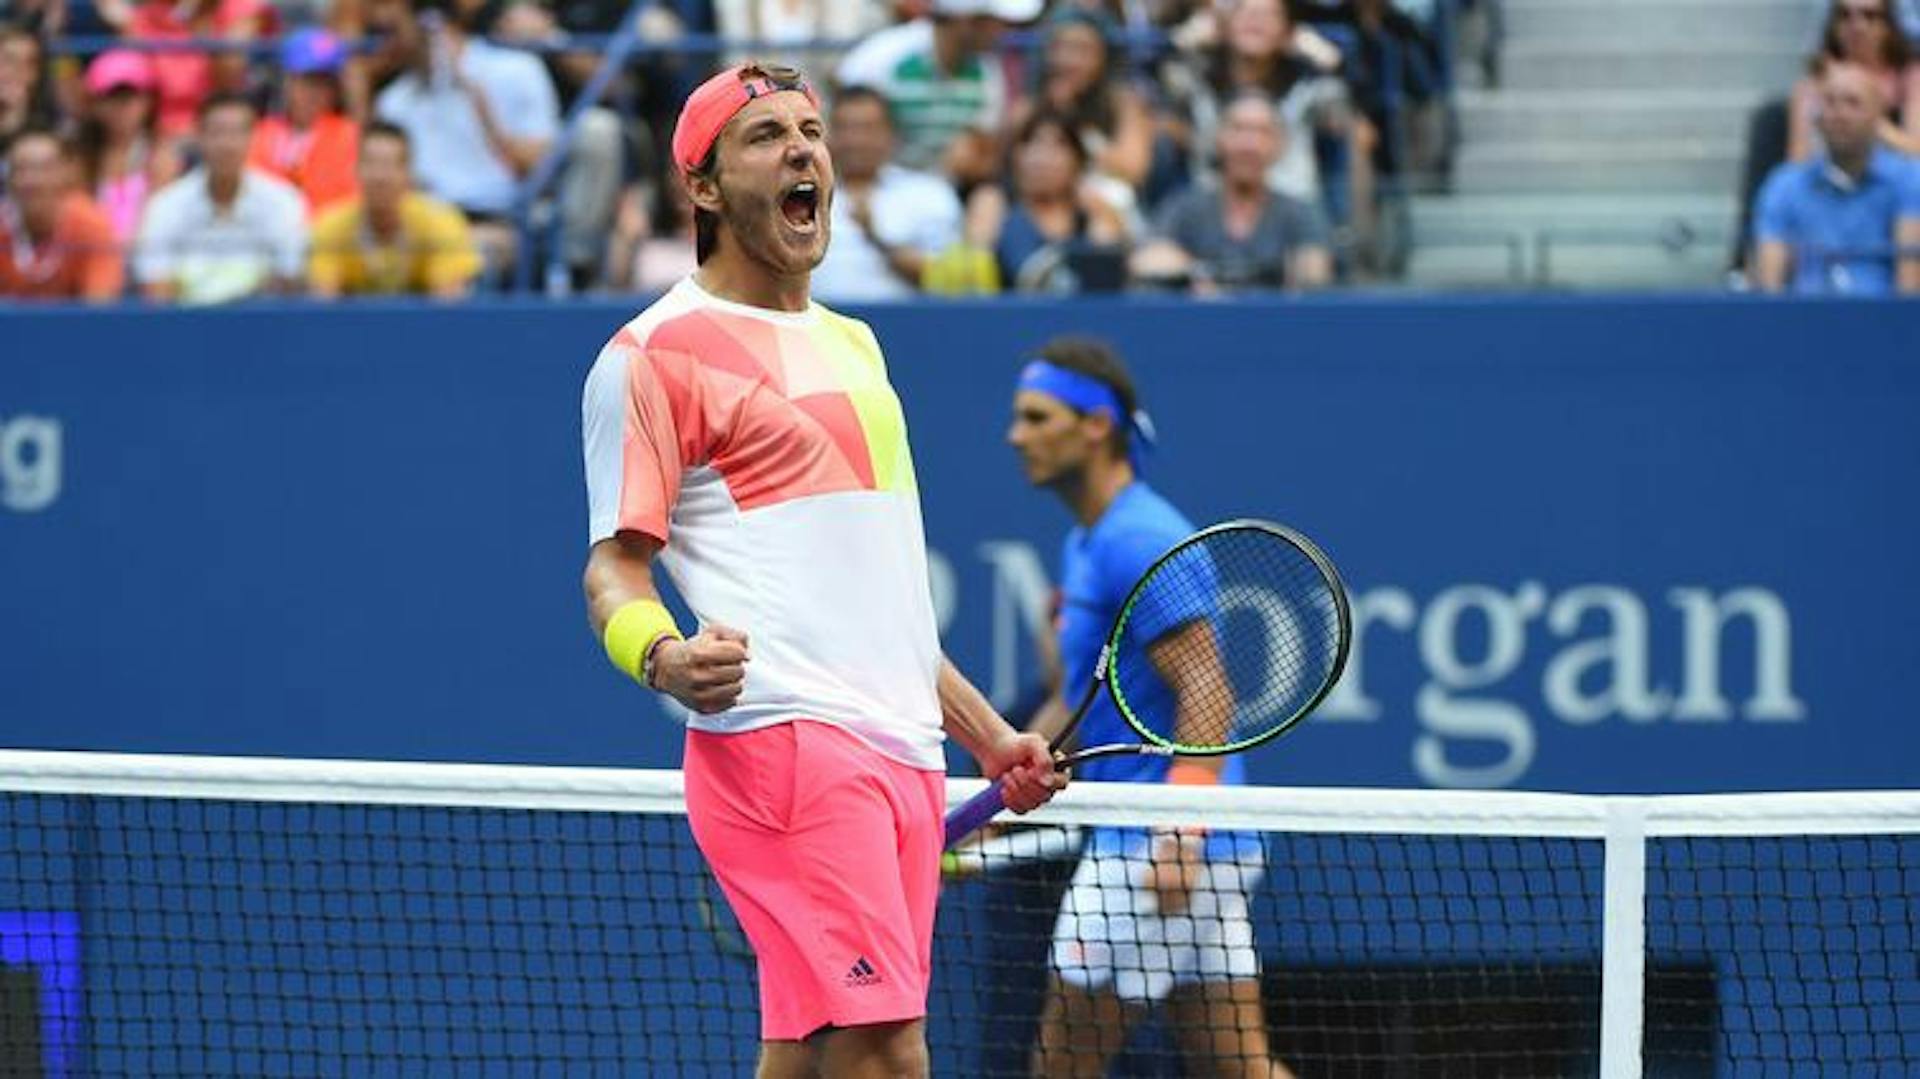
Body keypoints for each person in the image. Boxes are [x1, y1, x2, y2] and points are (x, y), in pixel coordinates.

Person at [578, 62, 1063, 1078]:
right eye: (764, 136)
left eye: (811, 129)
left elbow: (879, 603)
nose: (802, 148)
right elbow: (614, 573)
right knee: (888, 1050)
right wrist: (661, 654)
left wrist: (987, 736)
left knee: (807, 1050)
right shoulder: (653, 353)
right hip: (791, 745)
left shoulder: (857, 345)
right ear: (703, 188)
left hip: (902, 750)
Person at [1006, 337, 1296, 1079]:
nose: (1017, 435)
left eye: (1037, 417)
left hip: (1154, 847)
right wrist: (985, 815)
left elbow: (1209, 686)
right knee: (1240, 1068)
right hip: (1196, 844)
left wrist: (1180, 832)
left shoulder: (1138, 535)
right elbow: (1077, 707)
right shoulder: (1090, 539)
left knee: (1059, 1070)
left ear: (1097, 424)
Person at [1132, 92, 1334, 293]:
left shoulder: (1299, 212)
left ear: (1279, 145)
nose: (1249, 145)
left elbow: (1315, 272)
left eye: (1262, 132)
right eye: (1238, 129)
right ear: (1219, 138)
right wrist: (1196, 275)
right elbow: (1145, 261)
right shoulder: (1185, 208)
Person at [1751, 60, 1920, 295]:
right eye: (1829, 102)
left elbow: (1910, 288)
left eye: (1853, 103)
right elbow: (1769, 288)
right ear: (1817, 116)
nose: (1840, 114)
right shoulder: (1784, 186)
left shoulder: (1910, 180)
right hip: (1803, 322)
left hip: (1884, 322)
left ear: (1878, 115)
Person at [836, 0, 1043, 187]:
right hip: (877, 190)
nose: (1001, 31)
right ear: (963, 21)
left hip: (947, 194)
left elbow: (982, 152)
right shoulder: (880, 59)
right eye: (991, 21)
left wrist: (973, 155)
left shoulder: (988, 70)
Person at [134, 93, 308, 304]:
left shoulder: (283, 201)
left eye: (237, 132)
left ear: (253, 137)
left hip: (261, 326)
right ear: (198, 136)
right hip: (186, 326)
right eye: (217, 132)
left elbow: (289, 277)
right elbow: (156, 285)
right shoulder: (165, 205)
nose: (227, 144)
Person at [810, 84, 964, 302]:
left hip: (911, 328)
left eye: (867, 128)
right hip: (817, 330)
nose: (856, 140)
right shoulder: (801, 197)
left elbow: (951, 281)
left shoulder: (929, 194)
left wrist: (876, 237)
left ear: (891, 134)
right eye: (845, 128)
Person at [307, 121, 482, 298]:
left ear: (408, 174)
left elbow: (448, 312)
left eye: (390, 165)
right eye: (370, 163)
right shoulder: (330, 226)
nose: (380, 177)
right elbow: (321, 307)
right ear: (356, 169)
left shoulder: (441, 223)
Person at [0, 129, 125, 302]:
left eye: (43, 169)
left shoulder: (92, 226)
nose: (31, 180)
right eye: (20, 169)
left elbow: (99, 310)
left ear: (66, 173)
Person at [249, 28, 361, 217]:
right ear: (287, 82)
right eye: (309, 81)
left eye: (326, 83)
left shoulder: (349, 134)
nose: (317, 92)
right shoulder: (261, 132)